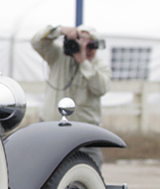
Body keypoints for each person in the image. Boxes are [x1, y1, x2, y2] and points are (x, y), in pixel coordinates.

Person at [31, 24, 112, 165]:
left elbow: (101, 88)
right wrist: (60, 31)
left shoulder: (100, 65)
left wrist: (84, 62)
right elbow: (36, 42)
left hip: (85, 134)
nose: (84, 49)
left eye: (89, 45)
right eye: (79, 43)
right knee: (45, 169)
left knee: (91, 171)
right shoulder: (59, 56)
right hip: (52, 128)